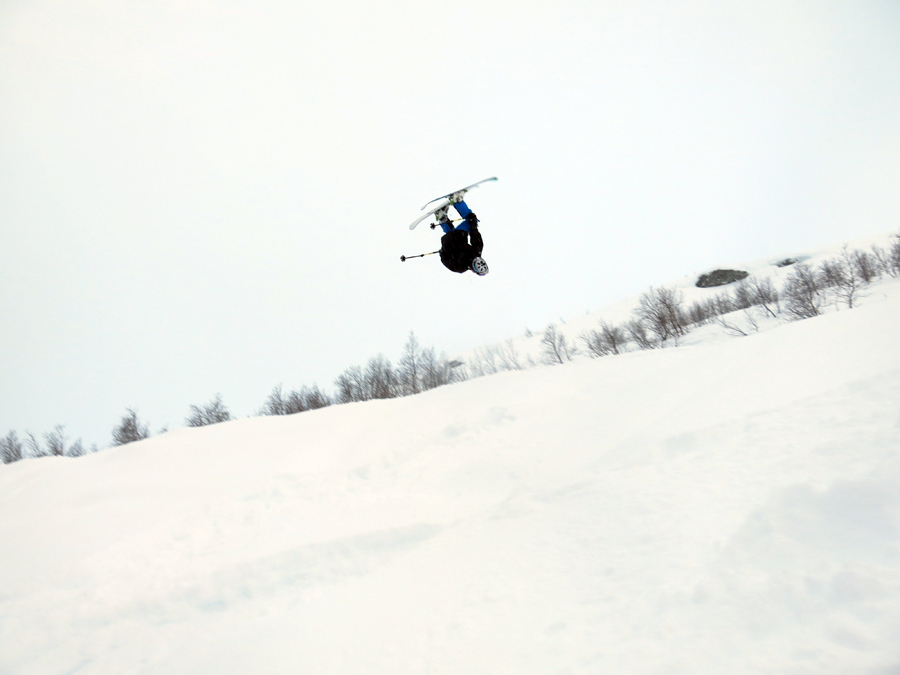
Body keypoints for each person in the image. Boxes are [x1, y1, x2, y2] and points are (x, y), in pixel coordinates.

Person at [431, 194, 489, 275]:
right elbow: (475, 237)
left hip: (455, 240)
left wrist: (472, 222)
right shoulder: (462, 267)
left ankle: (457, 201)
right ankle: (441, 217)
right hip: (450, 241)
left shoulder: (463, 265)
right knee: (452, 234)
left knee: (470, 221)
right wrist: (443, 252)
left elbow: (446, 261)